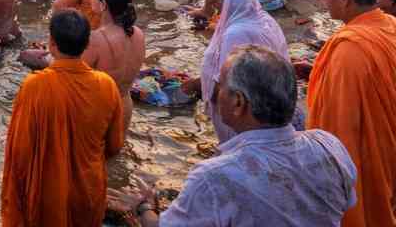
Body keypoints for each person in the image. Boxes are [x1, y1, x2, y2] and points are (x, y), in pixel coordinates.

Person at [111, 46, 358, 227]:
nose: (215, 93)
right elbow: (343, 206)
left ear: (238, 102)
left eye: (221, 87)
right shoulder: (329, 146)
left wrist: (143, 207)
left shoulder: (214, 176)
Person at [2, 9, 123, 227]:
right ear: (87, 44)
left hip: (47, 195)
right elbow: (114, 146)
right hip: (88, 192)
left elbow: (19, 152)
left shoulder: (34, 86)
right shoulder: (107, 85)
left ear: (51, 43)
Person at [307, 0, 396, 227]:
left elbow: (339, 127)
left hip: (366, 153)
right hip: (388, 142)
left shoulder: (351, 49)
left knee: (368, 207)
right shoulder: (389, 23)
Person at [180, 0, 287, 144]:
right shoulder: (262, 19)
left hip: (246, 120)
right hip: (269, 112)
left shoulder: (236, 33)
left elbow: (227, 85)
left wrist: (198, 86)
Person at [82, 0, 144, 138]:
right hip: (124, 108)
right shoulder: (138, 33)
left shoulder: (95, 39)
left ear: (103, 5)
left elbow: (70, 76)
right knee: (114, 155)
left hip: (99, 113)